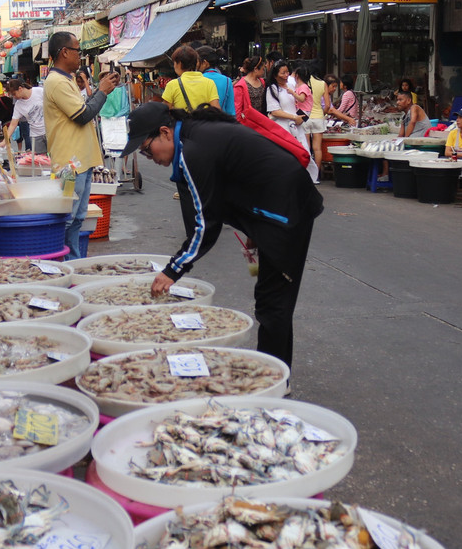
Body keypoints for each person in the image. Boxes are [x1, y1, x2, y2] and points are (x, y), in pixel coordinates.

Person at [124, 102, 322, 369]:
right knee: (272, 300)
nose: (152, 158)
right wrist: (253, 227)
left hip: (286, 210)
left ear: (165, 132)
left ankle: (274, 378)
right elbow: (236, 178)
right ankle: (276, 369)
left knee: (274, 304)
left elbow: (205, 223)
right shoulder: (194, 134)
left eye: (147, 150)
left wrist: (173, 270)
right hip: (276, 205)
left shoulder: (192, 150)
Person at [43, 31, 119, 259]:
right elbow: (83, 115)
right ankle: (64, 262)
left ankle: (73, 262)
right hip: (68, 164)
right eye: (78, 51)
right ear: (64, 52)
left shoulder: (65, 80)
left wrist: (100, 92)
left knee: (77, 217)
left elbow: (83, 109)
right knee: (68, 218)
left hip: (79, 162)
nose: (80, 57)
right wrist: (102, 91)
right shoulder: (57, 82)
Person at [265, 60, 319, 183]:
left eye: (287, 72)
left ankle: (305, 181)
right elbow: (275, 111)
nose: (285, 76)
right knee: (287, 156)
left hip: (297, 126)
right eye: (282, 73)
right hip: (282, 127)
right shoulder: (272, 89)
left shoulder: (292, 85)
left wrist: (299, 117)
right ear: (275, 75)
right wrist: (294, 117)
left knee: (304, 153)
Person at [161, 45, 219, 112]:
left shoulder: (172, 85)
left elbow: (166, 111)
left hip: (183, 122)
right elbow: (216, 109)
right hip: (202, 121)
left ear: (179, 63)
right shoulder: (209, 83)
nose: (174, 66)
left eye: (174, 63)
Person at [4, 78, 46, 154]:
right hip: (35, 135)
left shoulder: (39, 91)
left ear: (20, 89)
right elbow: (13, 124)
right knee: (41, 160)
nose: (14, 97)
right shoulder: (18, 105)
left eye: (14, 94)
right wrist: (5, 140)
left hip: (49, 130)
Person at [299, 63, 327, 172]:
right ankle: (316, 173)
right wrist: (321, 114)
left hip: (305, 116)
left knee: (306, 147)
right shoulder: (322, 83)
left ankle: (306, 172)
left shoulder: (304, 83)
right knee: (317, 148)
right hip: (318, 117)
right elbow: (328, 105)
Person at [196, 46, 235, 117]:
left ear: (205, 63)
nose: (195, 65)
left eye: (197, 61)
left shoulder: (197, 79)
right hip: (222, 124)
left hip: (200, 124)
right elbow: (231, 111)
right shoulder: (227, 80)